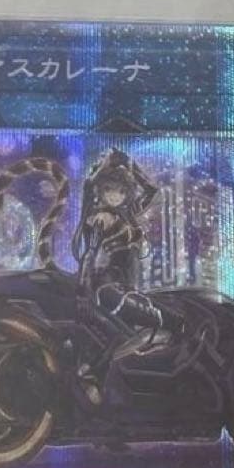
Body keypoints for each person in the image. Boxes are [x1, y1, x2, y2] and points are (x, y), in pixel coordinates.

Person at [71, 148, 182, 402]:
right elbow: (89, 255)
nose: (115, 195)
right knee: (170, 322)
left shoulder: (127, 213)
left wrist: (129, 163)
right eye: (109, 189)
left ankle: (103, 379)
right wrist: (82, 292)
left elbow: (151, 190)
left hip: (124, 288)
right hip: (109, 290)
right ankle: (92, 375)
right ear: (100, 190)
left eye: (120, 190)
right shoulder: (100, 218)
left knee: (126, 340)